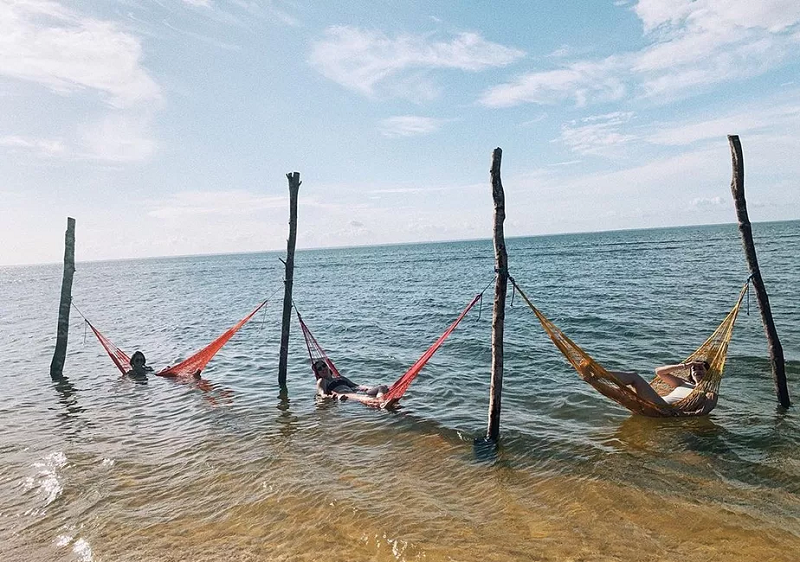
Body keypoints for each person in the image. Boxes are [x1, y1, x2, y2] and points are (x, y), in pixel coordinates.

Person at [597, 359, 711, 407]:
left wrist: (684, 415)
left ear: (708, 372)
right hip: (655, 402)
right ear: (691, 373)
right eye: (694, 369)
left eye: (701, 368)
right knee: (620, 392)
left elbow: (705, 408)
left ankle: (598, 373)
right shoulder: (683, 383)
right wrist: (685, 365)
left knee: (634, 377)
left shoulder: (706, 391)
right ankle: (593, 378)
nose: (697, 371)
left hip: (664, 408)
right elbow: (659, 372)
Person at [313, 359, 389, 401]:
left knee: (382, 387)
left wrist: (368, 388)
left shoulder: (341, 378)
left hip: (354, 392)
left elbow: (356, 386)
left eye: (324, 365)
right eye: (319, 369)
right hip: (345, 395)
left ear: (327, 366)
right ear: (318, 373)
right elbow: (322, 395)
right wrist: (334, 396)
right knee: (365, 398)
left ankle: (381, 400)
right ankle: (381, 402)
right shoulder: (322, 381)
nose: (323, 369)